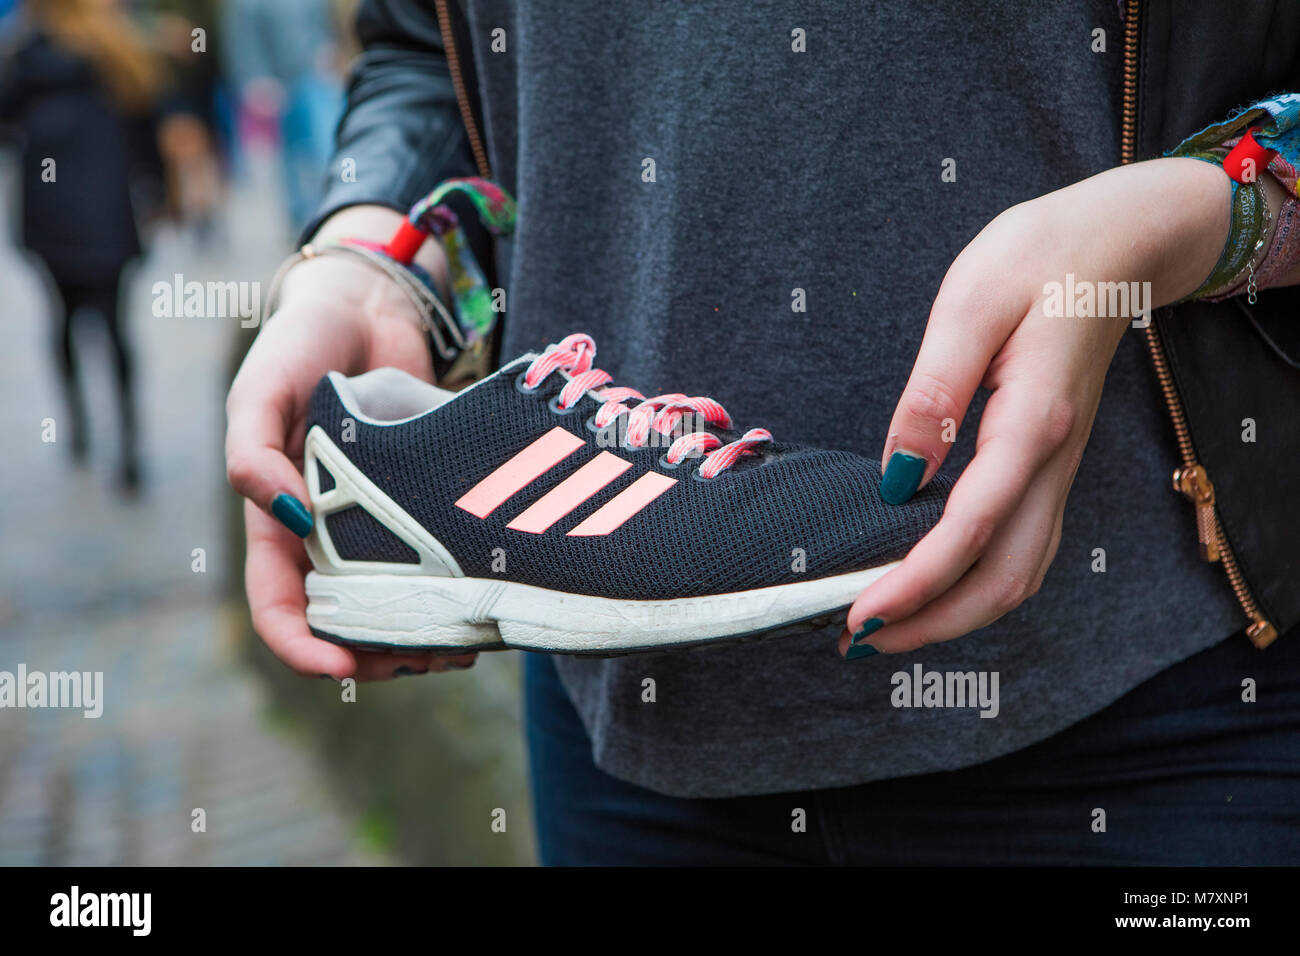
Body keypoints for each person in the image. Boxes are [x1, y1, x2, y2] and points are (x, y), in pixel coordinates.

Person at [226, 1, 1300, 864]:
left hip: (1164, 705)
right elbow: (429, 45)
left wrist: (1198, 216)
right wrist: (376, 255)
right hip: (629, 742)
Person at [0, 0, 162, 491]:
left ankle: (78, 429)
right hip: (107, 210)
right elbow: (146, 128)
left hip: (49, 212)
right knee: (115, 326)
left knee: (63, 317)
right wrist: (155, 194)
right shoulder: (118, 49)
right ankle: (130, 443)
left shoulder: (26, 53)